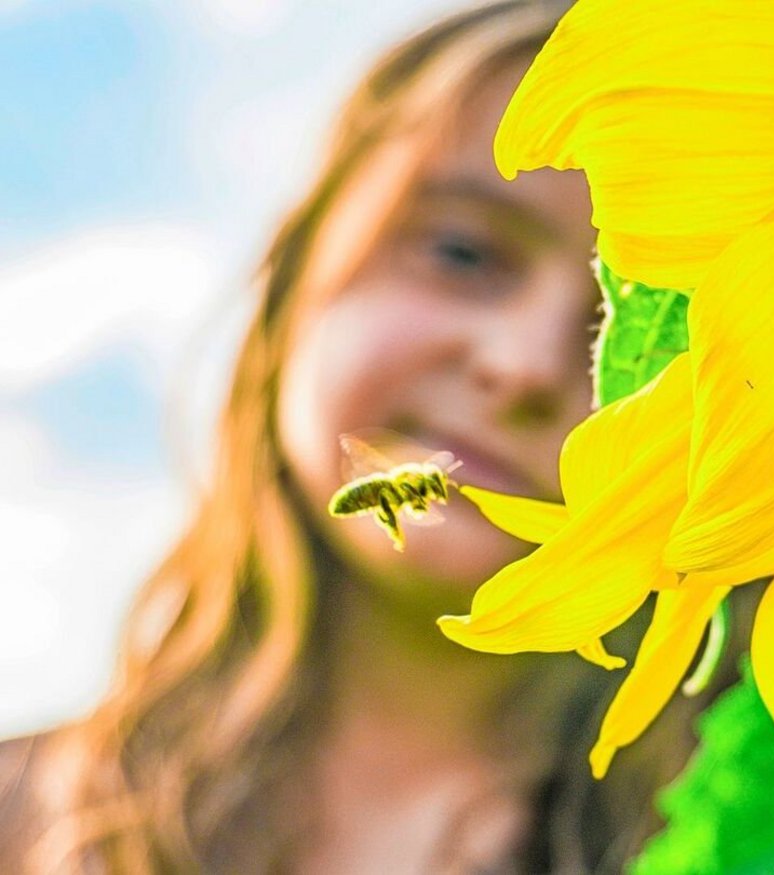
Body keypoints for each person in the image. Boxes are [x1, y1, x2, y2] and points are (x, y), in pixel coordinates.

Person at [0, 3, 715, 871]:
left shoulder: (746, 840)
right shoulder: (25, 811)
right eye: (463, 252)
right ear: (298, 272)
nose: (524, 364)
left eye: (641, 323)